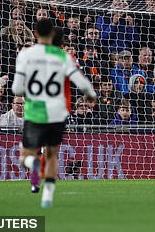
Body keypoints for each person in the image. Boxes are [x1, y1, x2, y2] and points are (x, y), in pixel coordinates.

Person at [11, 19, 96, 208]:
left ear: (35, 34)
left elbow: (16, 88)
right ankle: (48, 198)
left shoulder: (25, 55)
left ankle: (33, 163)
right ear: (52, 34)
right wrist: (91, 95)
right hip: (57, 112)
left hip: (35, 112)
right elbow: (81, 83)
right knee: (51, 155)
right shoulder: (62, 56)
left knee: (25, 156)